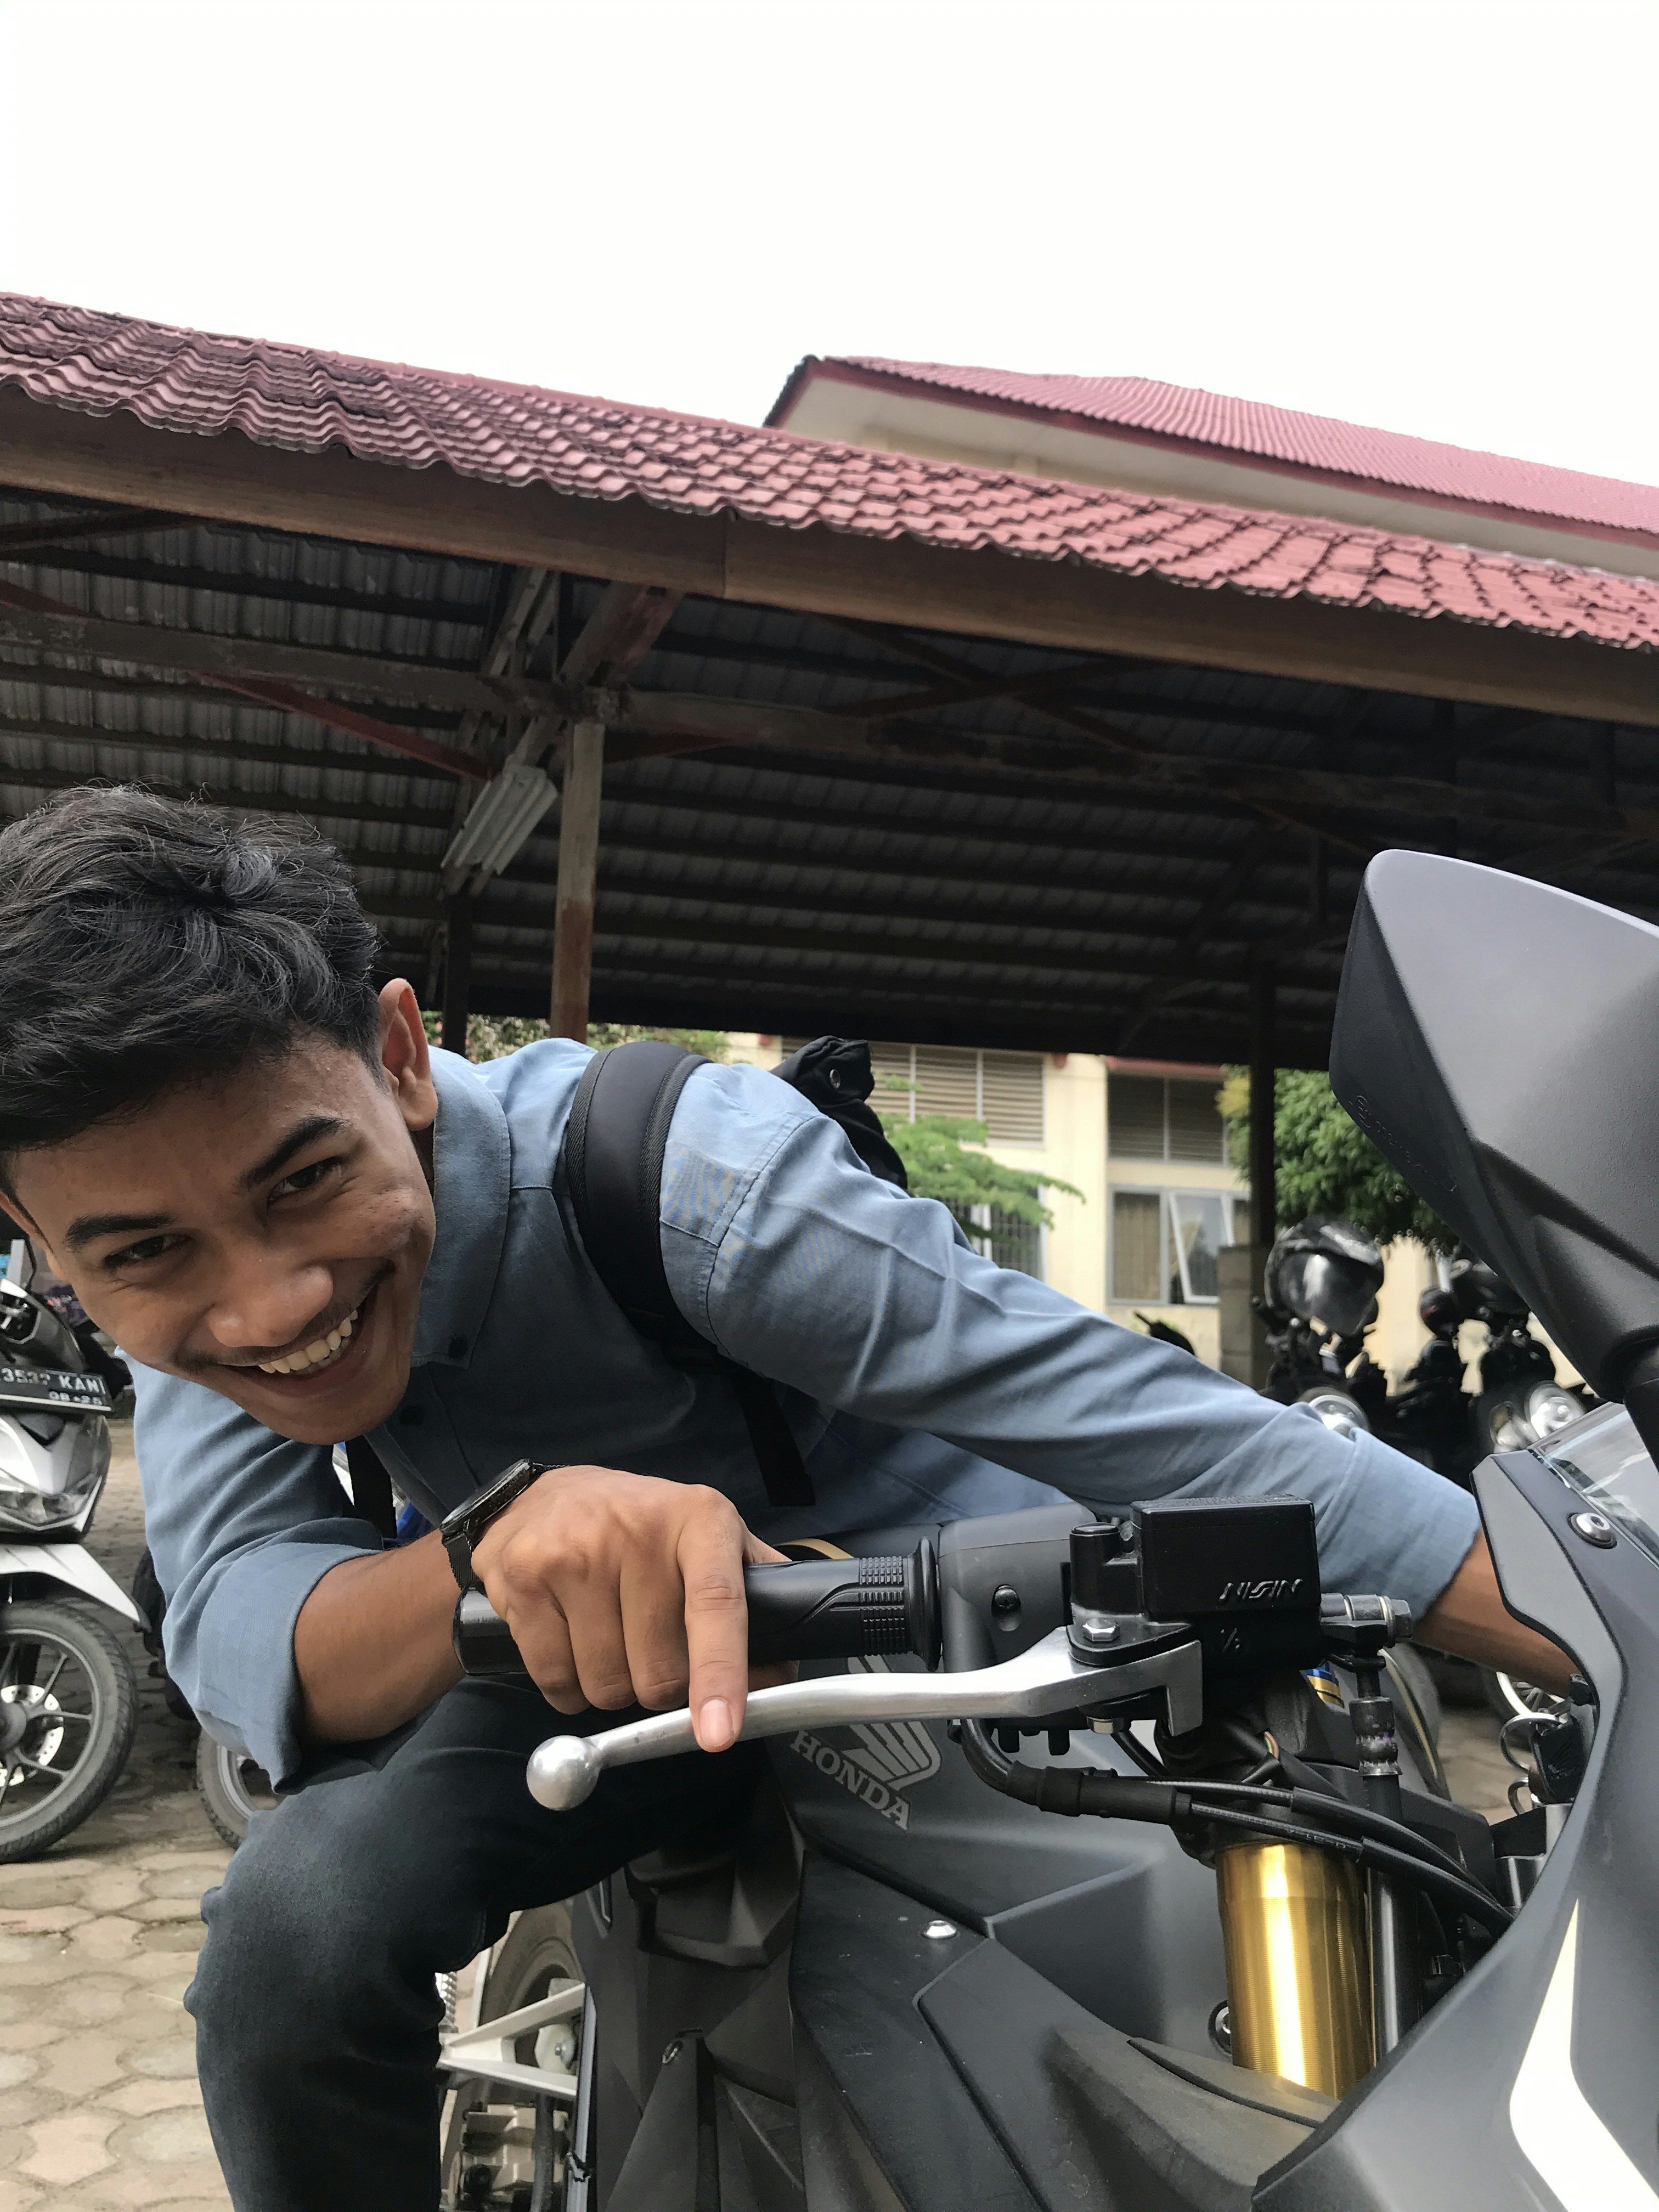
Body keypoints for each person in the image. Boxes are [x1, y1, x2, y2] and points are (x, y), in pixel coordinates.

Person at [0, 787, 1559, 2210]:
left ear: (402, 1058)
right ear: (45, 1240)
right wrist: (493, 1543)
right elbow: (240, 1619)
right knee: (290, 1943)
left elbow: (1176, 1437)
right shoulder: (193, 1338)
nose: (269, 1308)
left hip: (999, 1630)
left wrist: (1597, 1631)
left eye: (302, 1182)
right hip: (623, 1683)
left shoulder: (699, 1183)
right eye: (144, 1254)